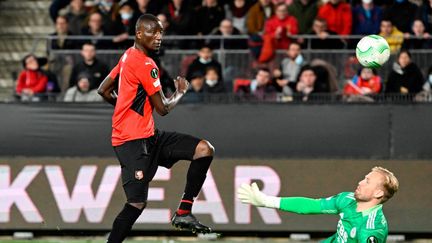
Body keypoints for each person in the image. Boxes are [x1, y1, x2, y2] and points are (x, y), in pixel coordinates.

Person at [97, 14, 215, 243]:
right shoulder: (146, 64)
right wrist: (180, 91)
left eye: (161, 32)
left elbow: (103, 89)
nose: (159, 37)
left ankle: (184, 213)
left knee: (204, 149)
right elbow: (163, 108)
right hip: (130, 141)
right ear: (139, 33)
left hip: (150, 136)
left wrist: (126, 107)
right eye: (153, 32)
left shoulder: (127, 56)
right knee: (136, 203)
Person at [238, 166, 399, 243]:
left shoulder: (372, 230)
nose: (360, 182)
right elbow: (311, 205)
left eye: (367, 181)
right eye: (364, 178)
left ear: (378, 193)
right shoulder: (347, 199)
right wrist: (266, 201)